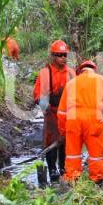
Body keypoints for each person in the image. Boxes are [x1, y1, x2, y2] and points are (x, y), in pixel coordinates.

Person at [57, 60, 103, 183]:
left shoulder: (71, 83)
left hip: (73, 121)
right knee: (96, 154)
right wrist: (99, 113)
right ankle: (97, 178)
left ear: (80, 71)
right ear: (94, 69)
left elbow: (62, 112)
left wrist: (63, 131)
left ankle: (73, 177)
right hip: (94, 121)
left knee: (73, 154)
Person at [33, 40, 75, 186]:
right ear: (53, 56)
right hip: (51, 111)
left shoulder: (70, 72)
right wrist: (46, 109)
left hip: (67, 113)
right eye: (59, 55)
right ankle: (52, 169)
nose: (63, 58)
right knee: (50, 140)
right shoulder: (46, 73)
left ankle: (63, 168)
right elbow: (39, 95)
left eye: (65, 55)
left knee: (65, 140)